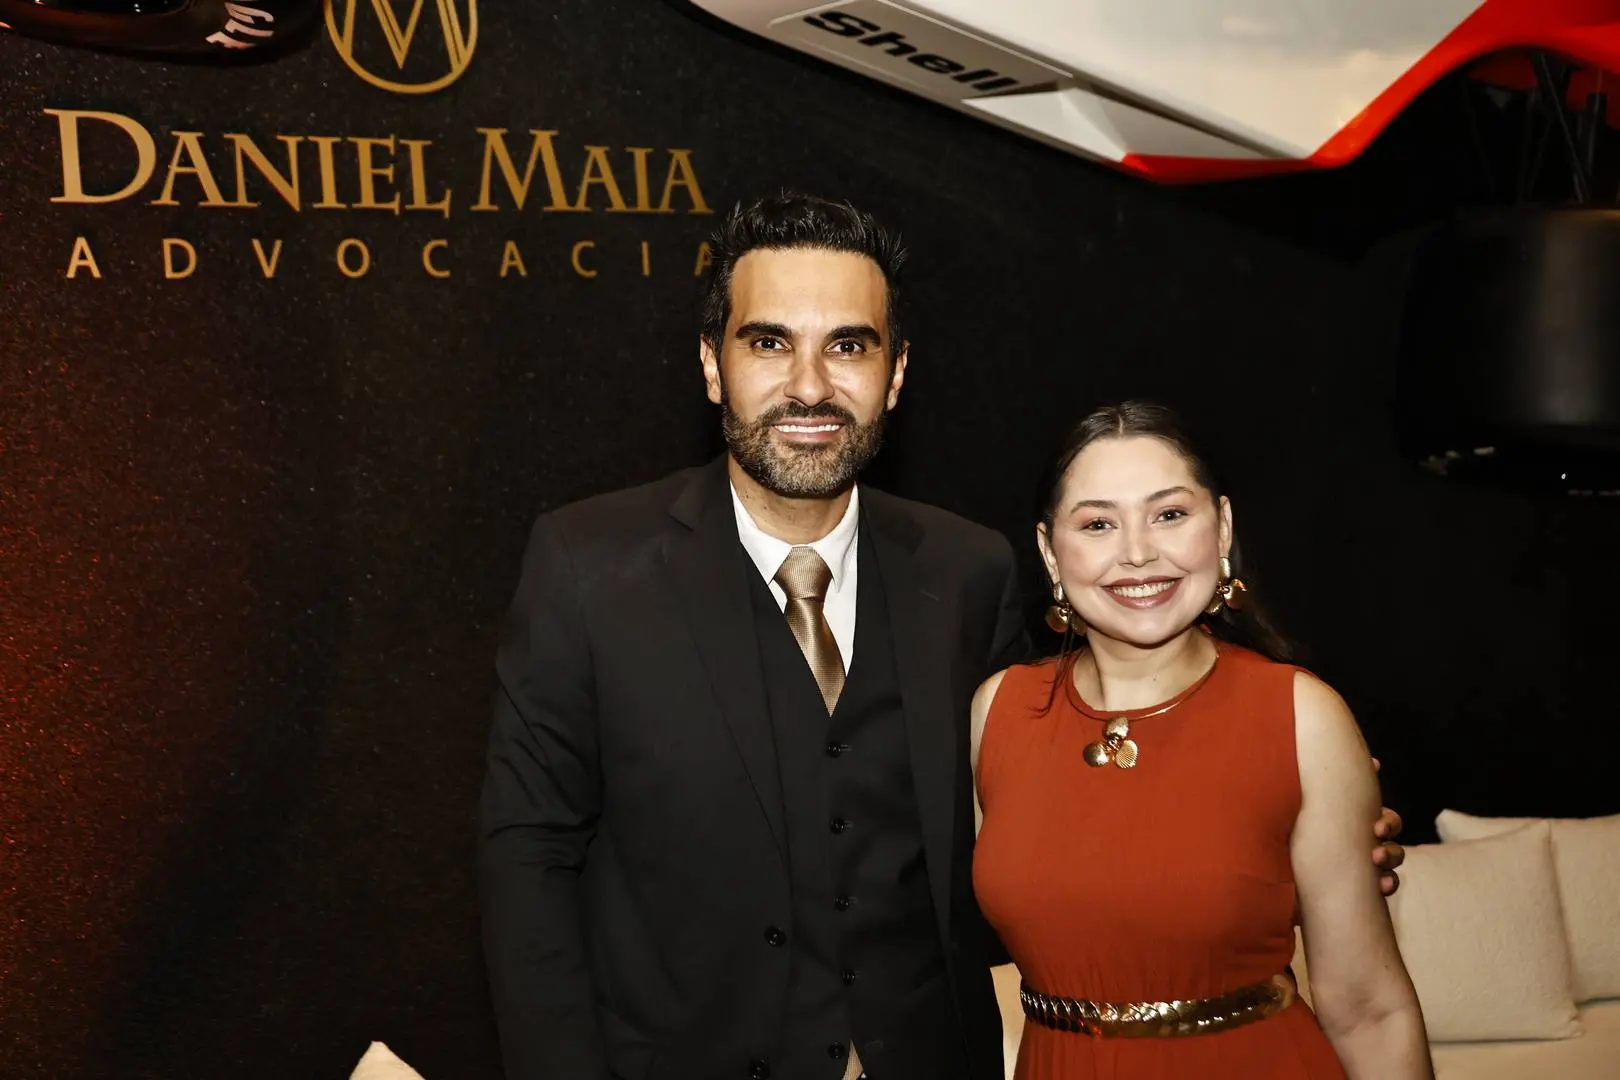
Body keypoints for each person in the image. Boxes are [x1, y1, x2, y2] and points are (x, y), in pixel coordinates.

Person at [477, 194, 1407, 1080]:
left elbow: (1057, 789)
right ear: (714, 364)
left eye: (849, 345)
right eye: (769, 343)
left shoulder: (966, 571)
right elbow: (527, 859)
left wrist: (1315, 825)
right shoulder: (588, 566)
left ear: (896, 374)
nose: (811, 385)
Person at [971, 400, 1432, 1079]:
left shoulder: (1301, 715)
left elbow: (1369, 1009)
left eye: (1169, 515)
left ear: (1222, 529)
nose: (1137, 552)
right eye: (1098, 523)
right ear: (1049, 552)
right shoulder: (998, 712)